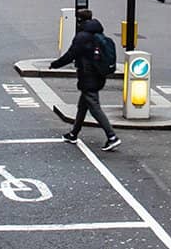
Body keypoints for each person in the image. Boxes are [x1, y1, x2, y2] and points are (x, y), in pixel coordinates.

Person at [49, 9, 121, 152]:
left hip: (89, 76)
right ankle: (73, 134)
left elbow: (71, 54)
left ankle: (112, 137)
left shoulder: (83, 36)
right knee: (83, 106)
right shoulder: (98, 33)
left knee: (94, 107)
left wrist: (55, 64)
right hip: (98, 75)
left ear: (79, 20)